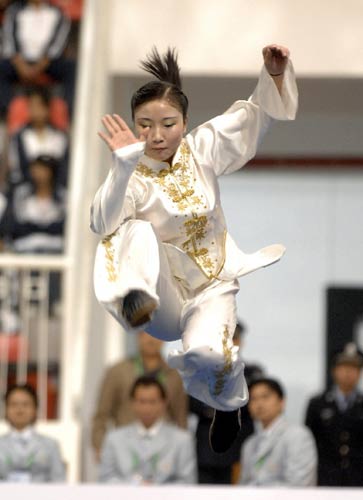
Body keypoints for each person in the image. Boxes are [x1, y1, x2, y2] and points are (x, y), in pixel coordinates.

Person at [91, 45, 298, 452]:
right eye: (144, 125)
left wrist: (273, 74)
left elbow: (254, 116)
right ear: (134, 128)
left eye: (167, 124)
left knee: (209, 357)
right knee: (129, 229)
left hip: (212, 287)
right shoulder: (131, 174)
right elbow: (101, 223)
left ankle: (228, 406)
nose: (156, 135)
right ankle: (132, 295)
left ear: (184, 123)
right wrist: (120, 166)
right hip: (159, 298)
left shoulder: (202, 148)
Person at [91, 330, 188, 460]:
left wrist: (182, 452)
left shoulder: (174, 376)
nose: (151, 340)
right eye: (146, 333)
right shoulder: (118, 371)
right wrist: (100, 447)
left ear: (164, 338)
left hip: (164, 452)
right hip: (125, 449)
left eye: (156, 334)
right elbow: (102, 414)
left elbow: (181, 418)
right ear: (137, 336)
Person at [189, 321, 264, 484]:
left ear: (240, 341)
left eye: (233, 338)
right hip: (206, 451)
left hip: (240, 448)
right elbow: (193, 404)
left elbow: (252, 404)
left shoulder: (251, 372)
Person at [98, 375, 196, 484]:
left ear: (164, 403)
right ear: (132, 402)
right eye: (142, 401)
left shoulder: (182, 440)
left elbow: (187, 482)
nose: (147, 408)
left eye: (152, 402)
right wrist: (134, 486)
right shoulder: (114, 439)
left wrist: (156, 490)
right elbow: (105, 479)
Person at [0, 0, 75, 117]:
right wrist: (21, 66)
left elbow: (58, 44)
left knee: (72, 68)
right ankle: (6, 111)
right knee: (1, 68)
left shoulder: (58, 13)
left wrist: (38, 67)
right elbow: (9, 41)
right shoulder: (14, 11)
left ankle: (69, 112)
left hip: (48, 62)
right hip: (20, 61)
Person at [240, 377, 317, 486]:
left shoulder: (298, 436)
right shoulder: (249, 444)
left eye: (265, 397)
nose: (259, 404)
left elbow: (298, 484)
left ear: (282, 402)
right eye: (253, 399)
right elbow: (243, 485)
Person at [305, 343, 363, 486]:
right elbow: (309, 443)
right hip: (326, 479)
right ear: (334, 370)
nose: (348, 372)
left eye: (354, 367)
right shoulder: (317, 404)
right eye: (343, 366)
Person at [0, 383, 65, 482]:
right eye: (13, 404)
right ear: (6, 409)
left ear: (35, 409)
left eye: (25, 404)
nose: (19, 410)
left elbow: (59, 480)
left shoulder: (50, 445)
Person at [7, 87, 69, 187]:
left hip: (55, 191)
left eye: (39, 106)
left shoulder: (60, 137)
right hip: (26, 188)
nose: (34, 111)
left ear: (47, 109)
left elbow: (63, 169)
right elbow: (16, 170)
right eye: (31, 106)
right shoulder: (19, 136)